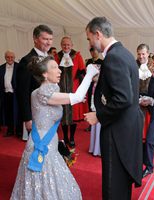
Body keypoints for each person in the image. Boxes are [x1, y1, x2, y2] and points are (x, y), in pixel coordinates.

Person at [10, 56, 99, 200]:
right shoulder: (43, 93)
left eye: (58, 67)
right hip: (42, 147)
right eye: (54, 68)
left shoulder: (41, 92)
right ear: (45, 74)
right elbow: (76, 97)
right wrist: (89, 74)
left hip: (48, 143)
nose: (59, 71)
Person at [84, 17, 143, 200]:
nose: (90, 43)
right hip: (126, 127)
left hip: (117, 131)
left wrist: (99, 115)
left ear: (98, 34)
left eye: (89, 38)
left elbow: (123, 98)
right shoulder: (124, 53)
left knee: (113, 185)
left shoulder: (114, 57)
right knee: (120, 183)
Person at [16, 24, 53, 134]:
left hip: (51, 110)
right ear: (35, 39)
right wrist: (27, 118)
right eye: (45, 39)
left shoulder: (51, 58)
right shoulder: (26, 61)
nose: (48, 42)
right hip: (36, 112)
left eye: (50, 39)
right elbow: (23, 92)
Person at [58, 36, 87, 149]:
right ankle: (65, 136)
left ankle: (72, 137)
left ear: (72, 45)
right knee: (64, 114)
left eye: (68, 45)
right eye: (64, 45)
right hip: (61, 89)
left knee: (73, 114)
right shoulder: (57, 56)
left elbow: (82, 72)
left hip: (74, 88)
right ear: (61, 45)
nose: (66, 47)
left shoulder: (77, 56)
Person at [0, 50, 23, 137]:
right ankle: (10, 130)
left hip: (16, 94)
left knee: (17, 112)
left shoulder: (19, 67)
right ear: (5, 58)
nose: (10, 59)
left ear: (14, 57)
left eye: (11, 57)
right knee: (8, 112)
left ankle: (18, 131)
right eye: (8, 57)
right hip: (5, 93)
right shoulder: (1, 68)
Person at [85, 47, 103, 132]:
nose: (94, 53)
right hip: (89, 84)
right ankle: (90, 124)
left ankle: (98, 121)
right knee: (90, 102)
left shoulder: (102, 62)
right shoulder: (88, 62)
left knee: (97, 101)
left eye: (95, 51)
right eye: (92, 52)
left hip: (98, 85)